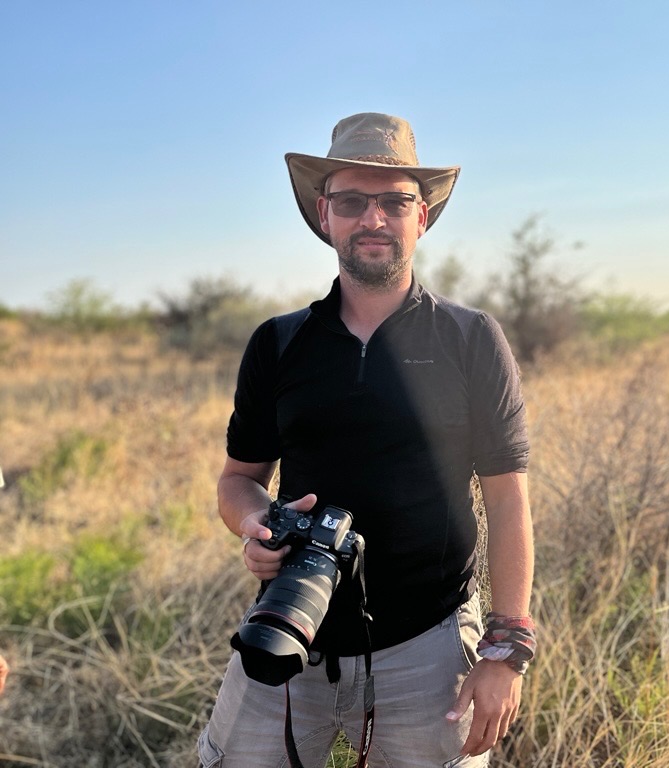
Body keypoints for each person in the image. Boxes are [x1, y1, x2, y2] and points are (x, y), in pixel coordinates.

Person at [198, 113, 535, 768]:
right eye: (352, 202)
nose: (373, 219)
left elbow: (507, 502)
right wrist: (257, 526)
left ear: (423, 217)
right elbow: (237, 480)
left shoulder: (470, 339)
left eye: (394, 202)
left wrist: (505, 652)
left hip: (429, 644)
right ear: (325, 215)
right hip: (288, 631)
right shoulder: (279, 342)